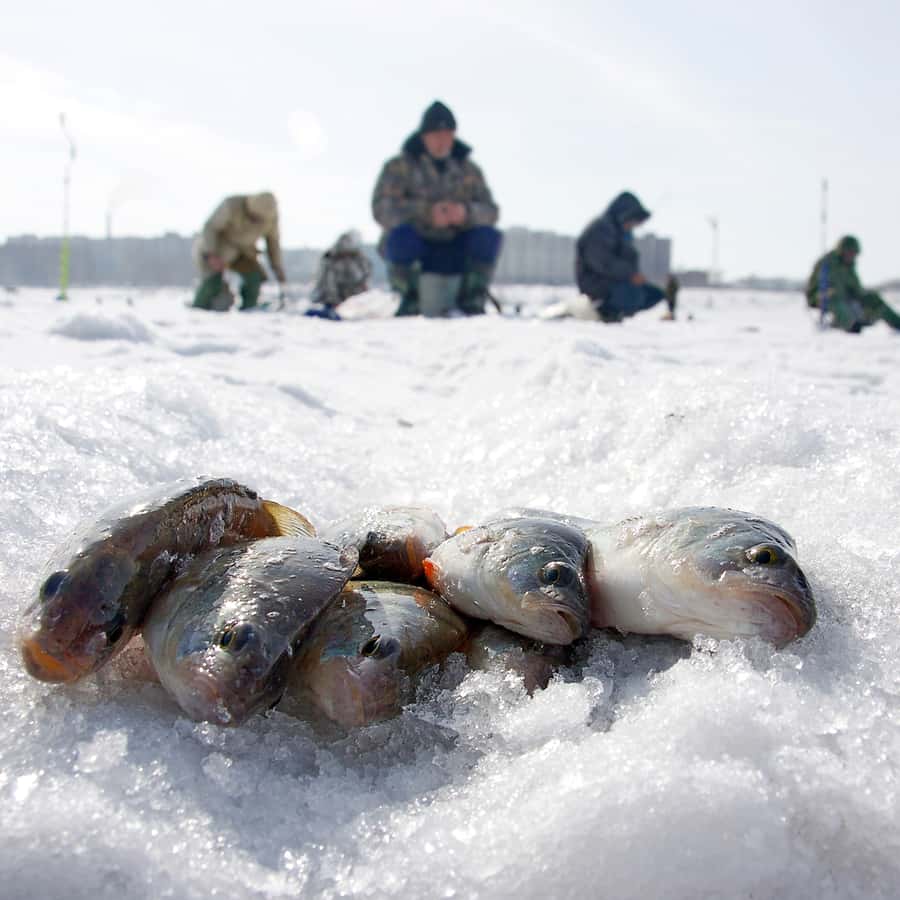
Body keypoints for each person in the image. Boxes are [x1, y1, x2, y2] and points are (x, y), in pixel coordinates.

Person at [372, 100, 502, 317]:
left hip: (457, 246)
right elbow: (381, 208)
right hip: (418, 246)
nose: (442, 141)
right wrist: (426, 214)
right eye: (436, 135)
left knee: (487, 236)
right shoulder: (399, 167)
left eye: (447, 134)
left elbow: (491, 211)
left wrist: (465, 213)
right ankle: (408, 300)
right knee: (400, 237)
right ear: (423, 136)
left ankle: (472, 301)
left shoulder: (469, 170)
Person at [575, 192, 666, 323]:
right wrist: (630, 275)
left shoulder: (622, 232)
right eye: (632, 221)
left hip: (617, 281)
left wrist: (635, 276)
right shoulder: (601, 228)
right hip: (596, 283)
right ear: (624, 215)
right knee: (633, 294)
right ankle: (603, 311)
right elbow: (602, 262)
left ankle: (616, 311)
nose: (634, 225)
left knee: (653, 294)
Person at [192, 192, 286, 311]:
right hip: (218, 249)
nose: (256, 222)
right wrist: (211, 254)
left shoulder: (270, 218)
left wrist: (277, 266)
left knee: (253, 277)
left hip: (244, 252)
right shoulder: (231, 205)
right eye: (253, 218)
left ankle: (249, 310)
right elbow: (210, 227)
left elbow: (273, 243)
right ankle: (198, 308)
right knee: (212, 282)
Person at [805, 235, 900, 333]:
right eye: (850, 253)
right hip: (822, 298)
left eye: (854, 254)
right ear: (842, 251)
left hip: (845, 299)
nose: (852, 256)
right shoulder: (827, 263)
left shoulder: (849, 266)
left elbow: (857, 289)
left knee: (873, 298)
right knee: (833, 296)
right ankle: (850, 325)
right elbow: (816, 287)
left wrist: (864, 298)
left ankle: (898, 323)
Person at [306, 231, 372, 320]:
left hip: (352, 300)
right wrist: (334, 301)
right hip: (332, 302)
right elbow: (329, 284)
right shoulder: (330, 261)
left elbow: (364, 275)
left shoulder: (358, 259)